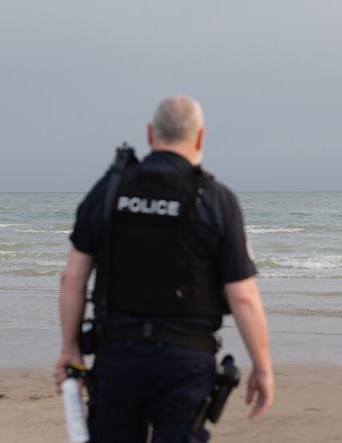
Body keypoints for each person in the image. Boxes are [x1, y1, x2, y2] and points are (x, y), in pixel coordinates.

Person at [53, 95, 274, 442]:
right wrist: (262, 367)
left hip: (119, 356)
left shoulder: (110, 191)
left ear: (150, 134)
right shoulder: (216, 200)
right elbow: (243, 296)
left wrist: (70, 349)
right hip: (185, 360)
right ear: (200, 137)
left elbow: (72, 278)